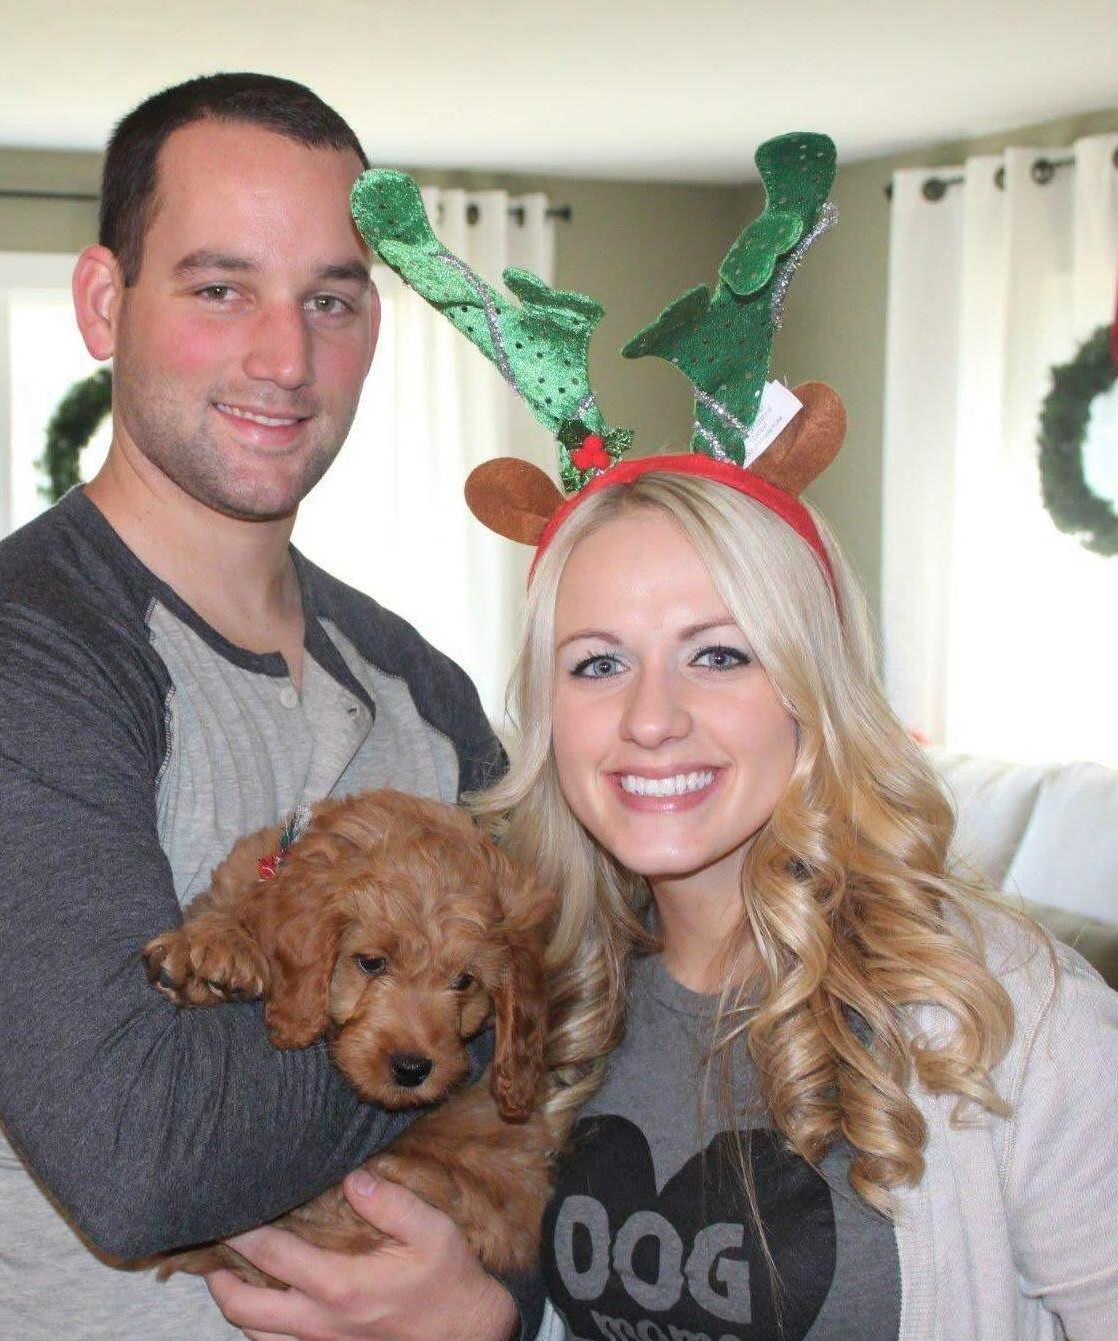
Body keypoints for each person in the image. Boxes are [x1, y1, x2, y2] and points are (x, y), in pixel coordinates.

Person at [0, 73, 522, 1341]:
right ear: (106, 304)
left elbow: (578, 1042)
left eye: (331, 299)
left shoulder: (422, 682)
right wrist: (473, 1007)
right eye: (220, 289)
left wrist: (499, 1305)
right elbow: (145, 1153)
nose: (286, 356)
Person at [211, 460, 1118, 1340]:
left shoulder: (1016, 1017)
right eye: (598, 665)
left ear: (813, 688)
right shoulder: (543, 986)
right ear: (547, 713)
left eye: (717, 654)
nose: (650, 718)